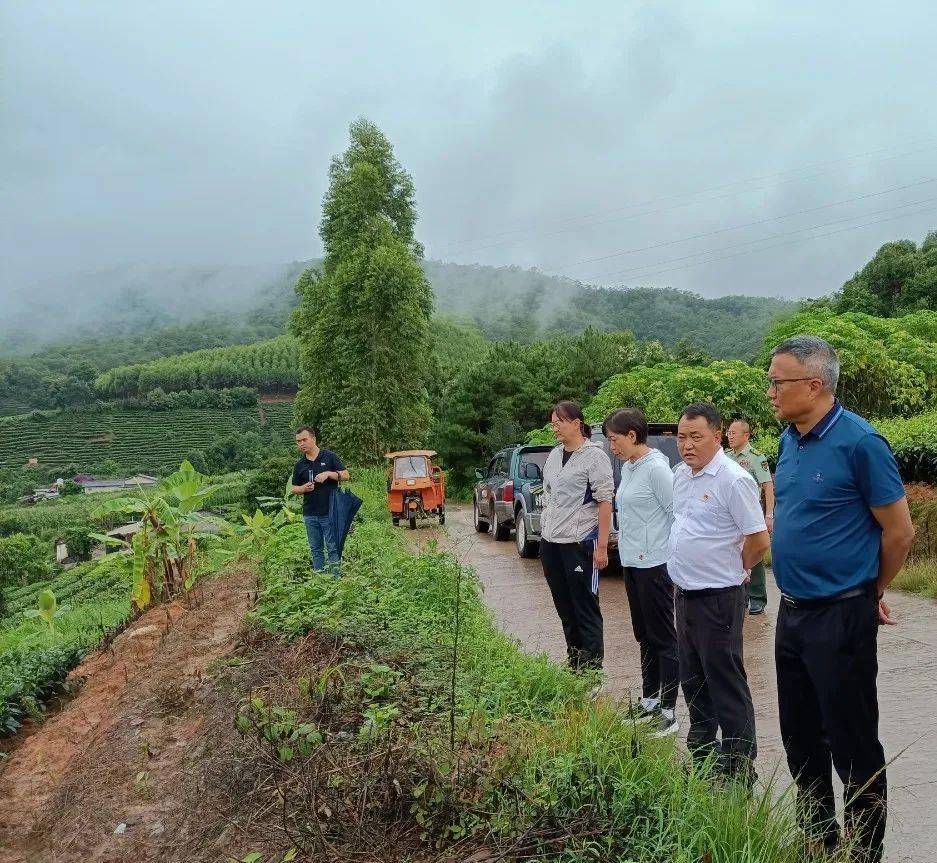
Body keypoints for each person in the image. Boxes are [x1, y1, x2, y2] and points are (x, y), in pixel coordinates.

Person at [768, 336, 914, 862]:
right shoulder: (789, 439)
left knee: (852, 742)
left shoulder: (861, 443)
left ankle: (863, 852)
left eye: (777, 381)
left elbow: (898, 533)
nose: (770, 392)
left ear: (814, 384)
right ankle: (818, 840)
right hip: (792, 612)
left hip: (841, 615)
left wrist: (870, 591)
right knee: (800, 738)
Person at [669, 403, 769, 781]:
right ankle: (703, 759)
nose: (687, 445)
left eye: (696, 436)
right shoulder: (681, 475)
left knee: (726, 682)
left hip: (719, 599)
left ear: (717, 434)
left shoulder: (733, 479)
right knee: (692, 680)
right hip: (684, 595)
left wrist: (736, 568)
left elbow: (758, 540)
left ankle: (740, 768)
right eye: (682, 437)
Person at [604, 408, 679, 737]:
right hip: (632, 563)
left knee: (664, 638)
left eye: (614, 439)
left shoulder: (657, 470)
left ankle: (669, 709)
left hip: (656, 565)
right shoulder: (631, 468)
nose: (612, 447)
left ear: (632, 435)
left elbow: (677, 516)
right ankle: (649, 702)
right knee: (644, 635)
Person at [539, 400, 614, 672]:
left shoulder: (595, 456)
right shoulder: (554, 455)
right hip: (551, 542)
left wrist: (602, 547)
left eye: (559, 421)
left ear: (576, 423)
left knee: (584, 607)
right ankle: (575, 664)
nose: (554, 426)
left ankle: (592, 669)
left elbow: (605, 501)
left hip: (580, 542)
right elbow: (548, 495)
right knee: (564, 607)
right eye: (553, 421)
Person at [724, 418, 775, 615]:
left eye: (733, 433)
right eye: (728, 433)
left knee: (754, 552)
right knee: (734, 551)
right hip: (730, 516)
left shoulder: (756, 457)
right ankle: (740, 595)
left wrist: (769, 515)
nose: (730, 436)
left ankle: (757, 597)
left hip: (750, 514)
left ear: (746, 436)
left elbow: (767, 486)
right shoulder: (725, 456)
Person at [290, 427, 350, 573]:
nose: (301, 444)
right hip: (310, 513)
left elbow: (346, 475)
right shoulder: (300, 465)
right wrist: (304, 488)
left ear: (313, 439)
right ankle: (320, 582)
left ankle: (335, 583)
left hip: (330, 511)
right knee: (316, 550)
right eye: (298, 441)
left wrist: (329, 474)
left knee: (333, 548)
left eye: (304, 440)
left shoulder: (329, 456)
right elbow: (293, 488)